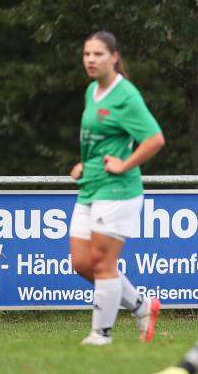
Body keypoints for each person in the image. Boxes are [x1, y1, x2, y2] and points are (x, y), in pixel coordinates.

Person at [68, 31, 165, 345]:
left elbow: (154, 139)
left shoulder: (126, 95)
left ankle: (101, 334)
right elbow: (100, 139)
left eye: (98, 54)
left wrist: (125, 165)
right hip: (91, 184)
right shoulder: (91, 91)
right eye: (87, 54)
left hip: (118, 188)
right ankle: (141, 305)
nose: (91, 60)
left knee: (102, 262)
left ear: (114, 56)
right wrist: (85, 163)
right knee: (81, 263)